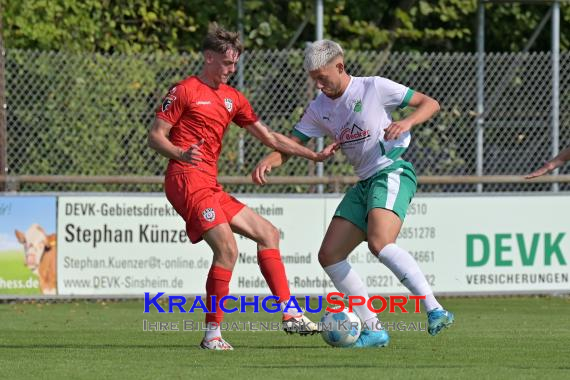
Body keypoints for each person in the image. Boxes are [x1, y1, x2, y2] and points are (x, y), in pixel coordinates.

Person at [252, 40, 454, 348]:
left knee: (380, 243)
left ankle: (435, 309)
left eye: (322, 77)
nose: (318, 85)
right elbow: (294, 144)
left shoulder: (374, 88)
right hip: (364, 183)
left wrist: (407, 121)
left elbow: (431, 103)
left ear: (340, 67)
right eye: (313, 79)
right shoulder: (319, 107)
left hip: (392, 171)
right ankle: (373, 329)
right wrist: (271, 158)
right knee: (330, 255)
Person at [148, 24, 339, 351]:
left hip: (209, 184)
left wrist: (314, 153)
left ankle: (290, 314)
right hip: (185, 178)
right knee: (227, 250)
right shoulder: (184, 91)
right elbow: (155, 136)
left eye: (235, 64)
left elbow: (270, 138)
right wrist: (181, 153)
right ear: (209, 57)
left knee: (269, 233)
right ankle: (212, 336)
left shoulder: (233, 99)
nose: (232, 69)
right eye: (226, 63)